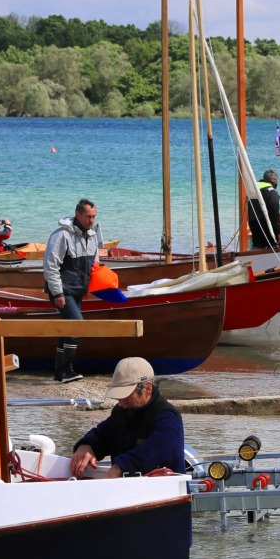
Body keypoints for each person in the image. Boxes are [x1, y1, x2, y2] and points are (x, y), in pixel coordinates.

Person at [69, 357, 186, 478]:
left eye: (125, 395)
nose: (120, 403)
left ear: (147, 388)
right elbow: (102, 435)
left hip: (165, 490)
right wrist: (86, 446)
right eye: (118, 396)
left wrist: (120, 468)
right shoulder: (122, 412)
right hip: (125, 489)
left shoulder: (167, 415)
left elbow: (157, 449)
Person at [43, 198, 104, 383]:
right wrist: (58, 293)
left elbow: (94, 264)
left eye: (94, 217)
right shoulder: (61, 235)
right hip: (62, 289)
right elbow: (50, 265)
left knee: (68, 327)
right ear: (78, 214)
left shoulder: (92, 235)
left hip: (78, 289)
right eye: (88, 216)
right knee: (77, 324)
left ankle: (60, 372)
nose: (91, 220)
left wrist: (90, 286)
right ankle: (65, 370)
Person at [248, 169, 280, 250]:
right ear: (273, 180)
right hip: (268, 227)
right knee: (272, 250)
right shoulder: (271, 191)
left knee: (257, 247)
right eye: (276, 180)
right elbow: (274, 212)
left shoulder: (253, 190)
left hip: (254, 226)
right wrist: (279, 231)